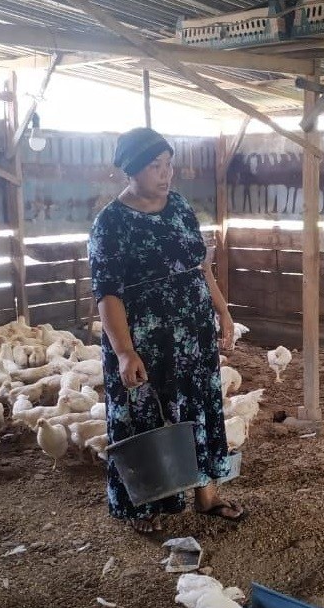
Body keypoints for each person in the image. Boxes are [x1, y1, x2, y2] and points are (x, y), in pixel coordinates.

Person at [88, 127, 246, 534]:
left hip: (192, 334)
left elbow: (200, 266)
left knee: (199, 408)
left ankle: (207, 495)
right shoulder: (110, 223)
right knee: (146, 415)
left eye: (169, 164)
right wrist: (124, 352)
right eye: (155, 166)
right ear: (131, 170)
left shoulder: (178, 205)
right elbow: (107, 294)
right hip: (145, 339)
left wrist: (223, 311)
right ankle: (145, 505)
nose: (166, 173)